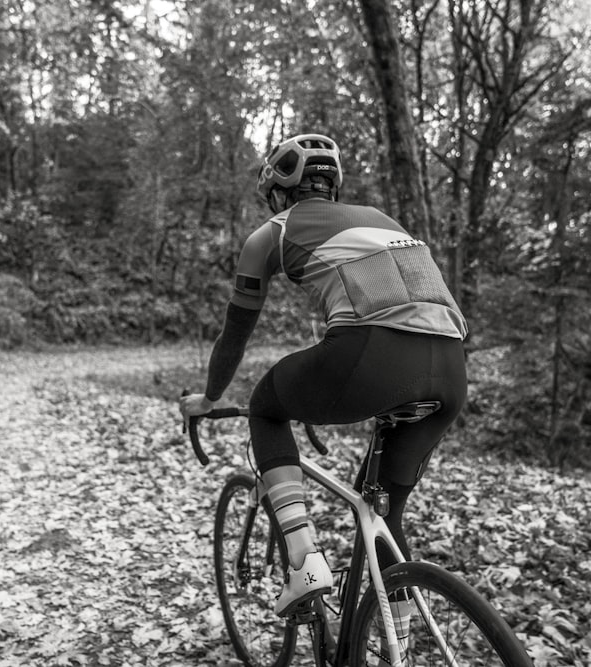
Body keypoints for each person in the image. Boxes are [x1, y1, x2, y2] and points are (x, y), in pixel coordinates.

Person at [179, 133, 468, 619]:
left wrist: (209, 398)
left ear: (278, 191)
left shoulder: (270, 234)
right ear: (332, 185)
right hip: (452, 369)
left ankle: (303, 559)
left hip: (368, 358)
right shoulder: (384, 221)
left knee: (267, 405)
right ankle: (398, 641)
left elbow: (235, 333)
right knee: (384, 516)